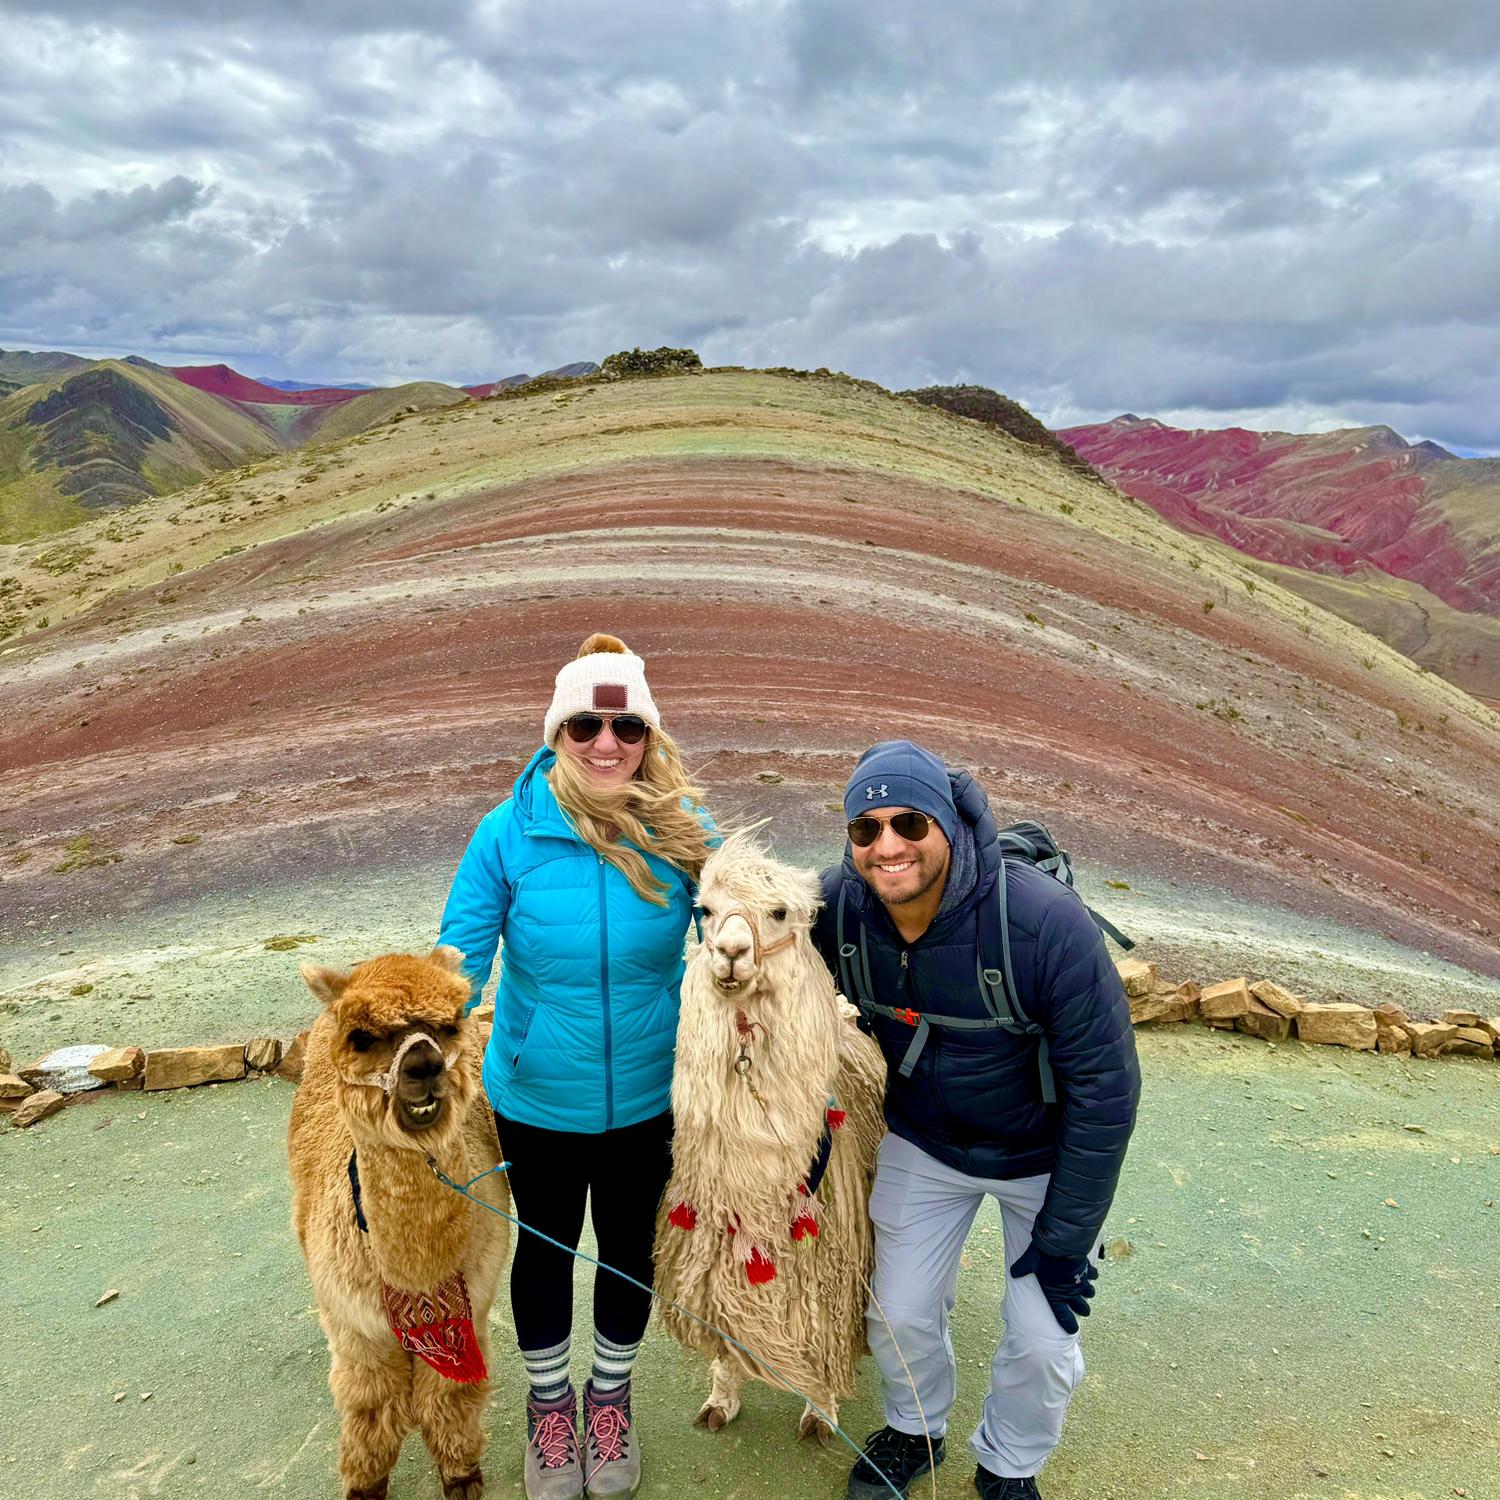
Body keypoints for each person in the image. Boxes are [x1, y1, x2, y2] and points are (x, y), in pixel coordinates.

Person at [810, 740, 1141, 1500]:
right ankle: (915, 1426)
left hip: (1043, 1155)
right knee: (898, 1311)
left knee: (1041, 1335)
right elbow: (769, 975)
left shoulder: (1042, 924)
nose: (887, 845)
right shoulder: (843, 912)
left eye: (909, 822)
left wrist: (1064, 1243)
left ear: (950, 826)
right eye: (866, 829)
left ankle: (1009, 1465)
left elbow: (1106, 1090)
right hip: (926, 1141)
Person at [438, 633, 716, 1500]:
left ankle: (610, 1398)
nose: (607, 744)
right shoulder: (508, 832)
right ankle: (551, 1409)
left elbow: (733, 933)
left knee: (630, 1251)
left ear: (649, 735)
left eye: (626, 726)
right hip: (538, 1095)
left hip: (647, 1093)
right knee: (548, 1250)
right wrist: (422, 1025)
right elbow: (461, 952)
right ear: (556, 731)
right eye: (587, 724)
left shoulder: (685, 832)